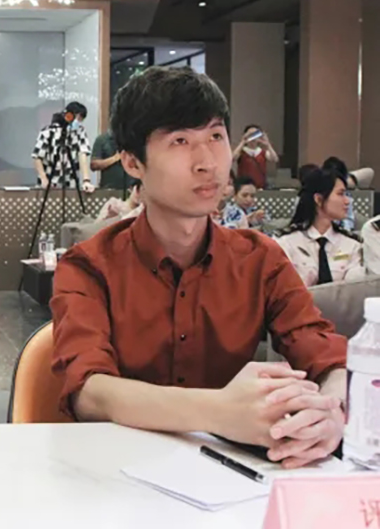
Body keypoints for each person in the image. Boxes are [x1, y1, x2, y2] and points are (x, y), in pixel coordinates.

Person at [51, 66, 346, 470]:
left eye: (216, 137)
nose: (207, 162)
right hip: (113, 474)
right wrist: (220, 410)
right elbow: (90, 393)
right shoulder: (88, 265)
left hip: (232, 478)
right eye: (180, 141)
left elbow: (324, 352)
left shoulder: (260, 259)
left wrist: (330, 411)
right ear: (133, 162)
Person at [276, 165, 364, 287]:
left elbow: (354, 289)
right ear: (318, 199)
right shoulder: (287, 243)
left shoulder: (351, 245)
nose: (347, 201)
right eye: (340, 194)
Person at [32, 111, 94, 193]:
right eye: (77, 118)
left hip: (70, 182)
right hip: (48, 182)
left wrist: (86, 180)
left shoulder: (80, 132)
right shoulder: (48, 131)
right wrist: (43, 178)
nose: (78, 122)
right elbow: (37, 156)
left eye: (80, 120)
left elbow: (83, 154)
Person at [233, 125, 279, 189]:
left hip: (260, 187)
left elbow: (275, 159)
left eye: (255, 134)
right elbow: (233, 158)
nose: (253, 137)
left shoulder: (262, 152)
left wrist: (267, 144)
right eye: (250, 134)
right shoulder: (241, 151)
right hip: (244, 187)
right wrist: (243, 142)